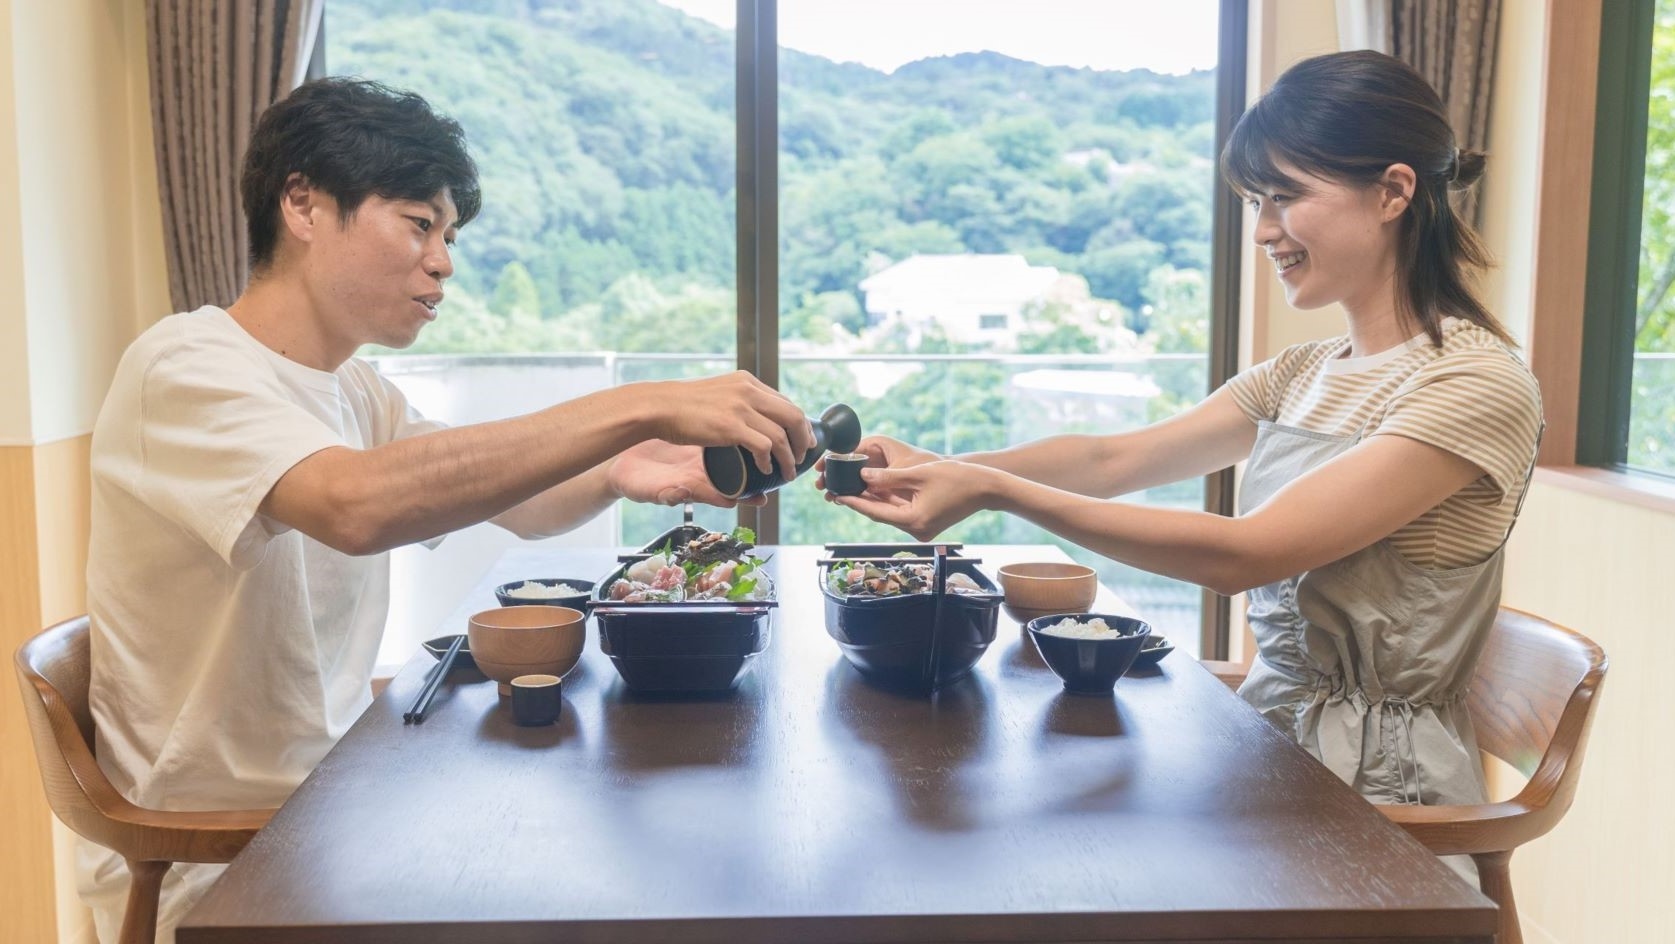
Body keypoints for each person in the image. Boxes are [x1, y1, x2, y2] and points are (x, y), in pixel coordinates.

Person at [78, 77, 813, 942]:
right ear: (304, 203)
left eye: (449, 235)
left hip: (333, 808)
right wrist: (637, 404)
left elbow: (520, 502)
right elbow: (355, 504)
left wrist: (621, 466)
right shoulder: (187, 365)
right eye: (419, 225)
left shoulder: (353, 388)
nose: (444, 262)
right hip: (222, 866)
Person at [827, 50, 1542, 870]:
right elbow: (1109, 457)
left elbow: (1246, 555)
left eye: (1285, 197)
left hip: (1384, 791)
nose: (1265, 229)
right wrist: (940, 461)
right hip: (1270, 742)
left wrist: (991, 491)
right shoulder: (1304, 372)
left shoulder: (1472, 383)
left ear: (1392, 191)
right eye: (1255, 201)